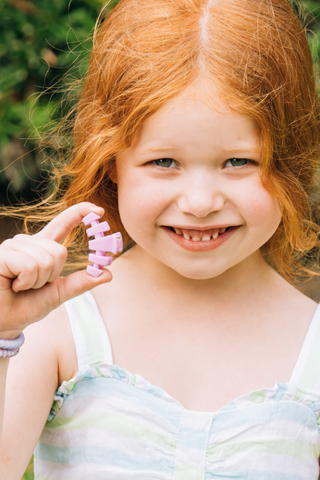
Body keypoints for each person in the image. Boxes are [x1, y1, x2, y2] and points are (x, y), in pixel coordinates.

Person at [1, 0, 320, 478]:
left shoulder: (311, 346)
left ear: (290, 161)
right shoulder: (55, 330)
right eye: (163, 162)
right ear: (111, 161)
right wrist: (4, 331)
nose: (199, 202)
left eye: (238, 161)